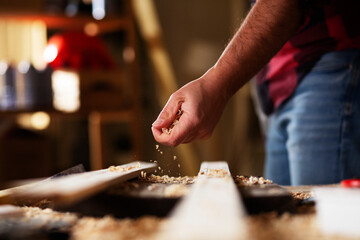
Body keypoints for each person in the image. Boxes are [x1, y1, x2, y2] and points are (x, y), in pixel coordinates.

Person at [151, 0, 360, 186]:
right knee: (284, 221)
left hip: (328, 63)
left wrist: (216, 85)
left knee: (322, 222)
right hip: (280, 81)